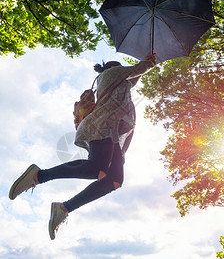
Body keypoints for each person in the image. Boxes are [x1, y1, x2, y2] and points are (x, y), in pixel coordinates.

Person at [9, 54, 156, 240]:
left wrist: (120, 155)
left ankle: (63, 208)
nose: (128, 77)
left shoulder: (123, 87)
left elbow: (134, 78)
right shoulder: (110, 75)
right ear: (113, 69)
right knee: (97, 169)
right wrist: (149, 61)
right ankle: (38, 175)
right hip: (100, 126)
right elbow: (136, 71)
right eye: (122, 71)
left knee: (115, 180)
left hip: (111, 136)